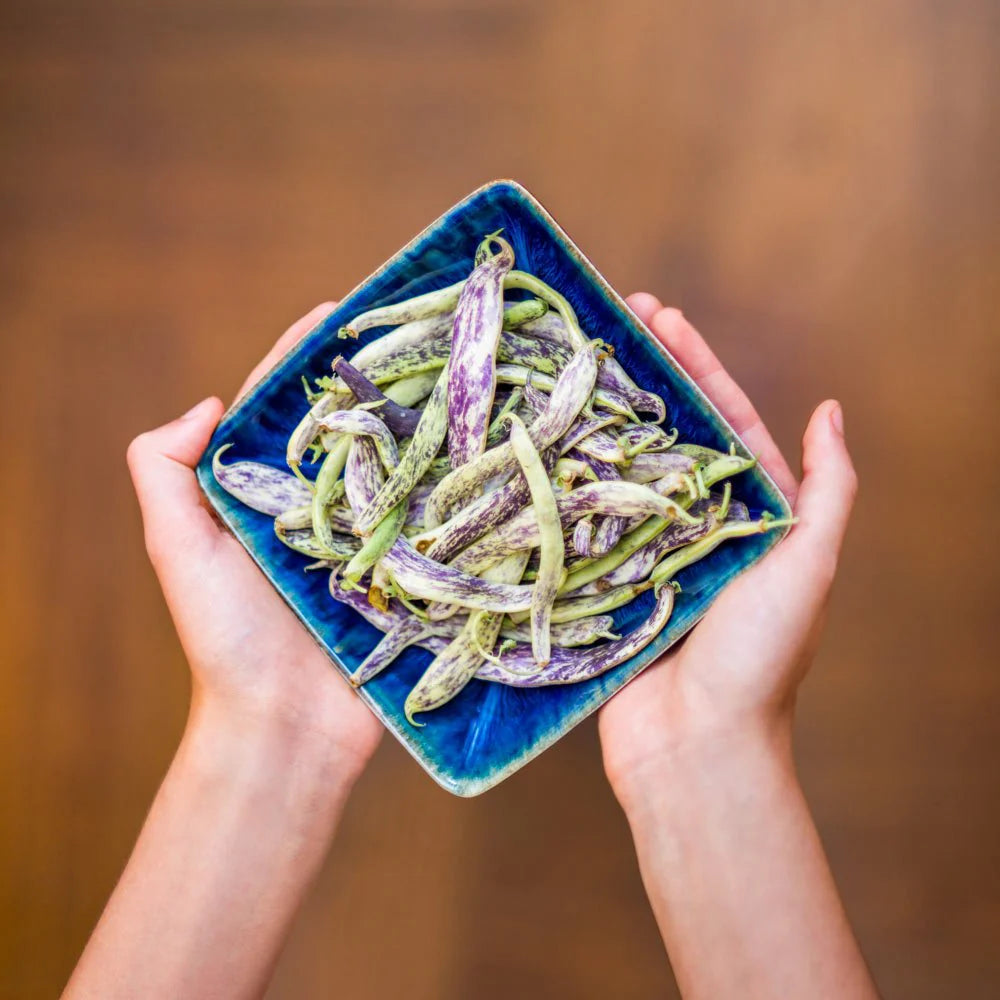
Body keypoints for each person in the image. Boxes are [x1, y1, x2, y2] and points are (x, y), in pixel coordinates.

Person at [64, 294, 878, 1000]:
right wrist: (264, 720)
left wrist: (713, 743)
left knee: (551, 526)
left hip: (536, 552)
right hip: (468, 564)